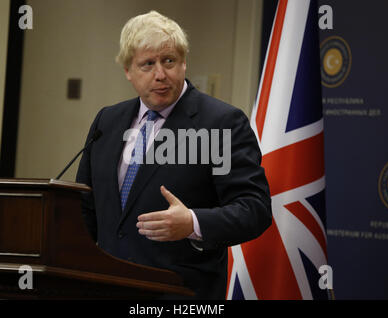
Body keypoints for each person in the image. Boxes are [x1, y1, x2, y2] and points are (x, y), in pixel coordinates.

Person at [76, 10, 272, 299]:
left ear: (183, 63)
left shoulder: (222, 122)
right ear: (128, 71)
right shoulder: (108, 120)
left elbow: (254, 209)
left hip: (179, 292)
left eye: (169, 61)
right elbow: (85, 205)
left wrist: (193, 223)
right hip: (107, 287)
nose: (160, 74)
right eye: (148, 64)